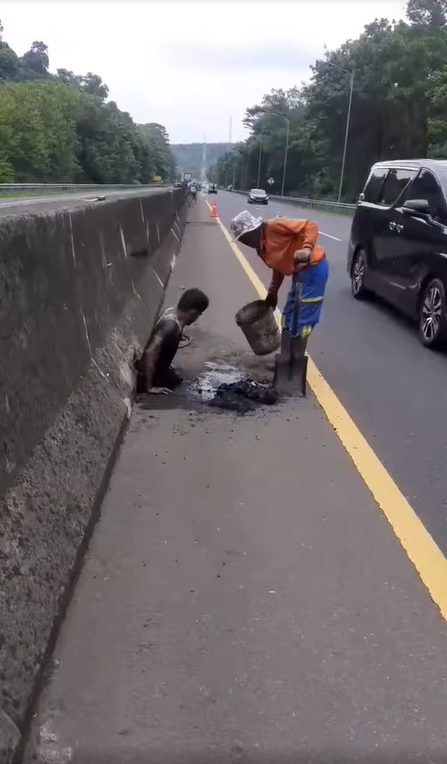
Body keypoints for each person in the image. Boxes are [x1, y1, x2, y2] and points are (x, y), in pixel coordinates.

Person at [229, 210, 329, 342]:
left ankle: (296, 358)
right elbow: (278, 268)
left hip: (314, 269)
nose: (244, 242)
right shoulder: (261, 250)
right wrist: (273, 293)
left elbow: (311, 225)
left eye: (244, 238)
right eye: (241, 240)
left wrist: (306, 248)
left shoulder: (274, 226)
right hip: (299, 273)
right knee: (288, 317)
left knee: (301, 321)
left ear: (252, 231)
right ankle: (286, 353)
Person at [134, 288, 209, 395]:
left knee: (176, 377)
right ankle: (147, 385)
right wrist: (149, 387)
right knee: (179, 382)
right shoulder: (171, 326)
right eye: (198, 315)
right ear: (193, 313)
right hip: (153, 375)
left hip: (159, 367)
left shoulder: (171, 312)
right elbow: (150, 351)